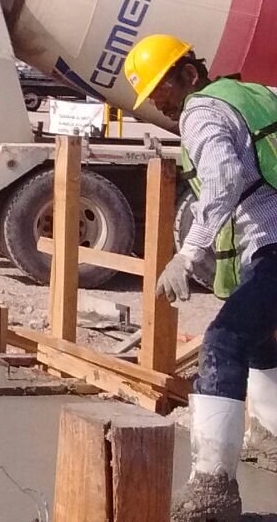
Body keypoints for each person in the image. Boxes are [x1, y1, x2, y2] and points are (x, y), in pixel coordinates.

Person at [126, 34, 277, 519]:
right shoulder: (256, 94)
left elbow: (224, 179)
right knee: (260, 344)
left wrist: (188, 253)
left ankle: (212, 490)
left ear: (189, 74)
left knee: (222, 343)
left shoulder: (201, 110)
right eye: (150, 95)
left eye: (161, 89)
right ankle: (271, 440)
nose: (158, 103)